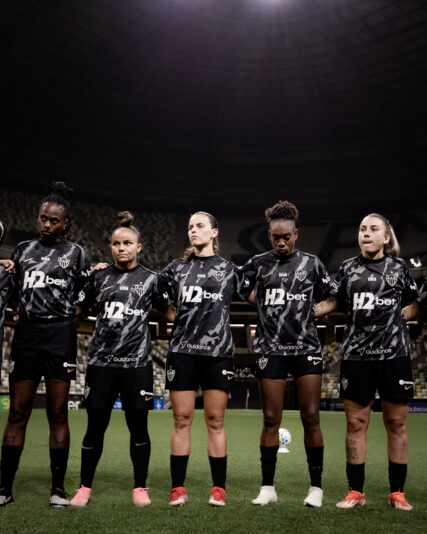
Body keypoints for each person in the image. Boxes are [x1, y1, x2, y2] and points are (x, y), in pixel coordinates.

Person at [315, 213, 418, 511]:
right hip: (356, 356)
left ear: (386, 237)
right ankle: (355, 491)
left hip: (394, 356)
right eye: (362, 229)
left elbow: (414, 304)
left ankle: (397, 492)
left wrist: (397, 318)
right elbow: (335, 301)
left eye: (373, 229)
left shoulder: (399, 268)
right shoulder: (348, 268)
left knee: (396, 423)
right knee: (356, 423)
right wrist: (310, 311)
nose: (366, 233)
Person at [69, 211, 168, 508]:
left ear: (139, 247)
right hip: (101, 364)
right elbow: (76, 310)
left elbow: (170, 312)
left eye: (127, 243)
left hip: (137, 367)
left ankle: (140, 488)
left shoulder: (152, 279)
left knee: (139, 428)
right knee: (94, 428)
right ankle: (84, 487)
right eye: (115, 243)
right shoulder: (98, 277)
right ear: (110, 246)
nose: (121, 248)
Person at [0, 182, 90, 508]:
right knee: (18, 411)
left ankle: (57, 490)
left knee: (57, 413)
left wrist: (68, 314)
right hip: (27, 335)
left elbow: (86, 295)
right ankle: (4, 488)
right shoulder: (22, 250)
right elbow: (11, 293)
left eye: (54, 220)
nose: (47, 225)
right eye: (43, 218)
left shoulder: (76, 253)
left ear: (65, 223)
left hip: (60, 337)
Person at [241, 200, 332, 507]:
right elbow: (239, 288)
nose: (281, 242)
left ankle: (316, 488)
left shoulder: (312, 263)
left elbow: (334, 297)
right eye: (276, 237)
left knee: (311, 416)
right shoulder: (257, 263)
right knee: (270, 419)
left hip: (306, 347)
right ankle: (267, 487)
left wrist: (314, 311)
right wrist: (264, 303)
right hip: (270, 348)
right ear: (269, 236)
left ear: (296, 234)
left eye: (287, 237)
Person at [160, 211, 250, 507]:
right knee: (181, 419)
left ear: (214, 232)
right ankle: (177, 488)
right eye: (190, 227)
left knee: (215, 420)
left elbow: (256, 295)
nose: (193, 230)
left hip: (217, 354)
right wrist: (175, 316)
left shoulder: (229, 269)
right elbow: (154, 295)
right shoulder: (176, 269)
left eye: (199, 226)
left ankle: (218, 489)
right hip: (182, 353)